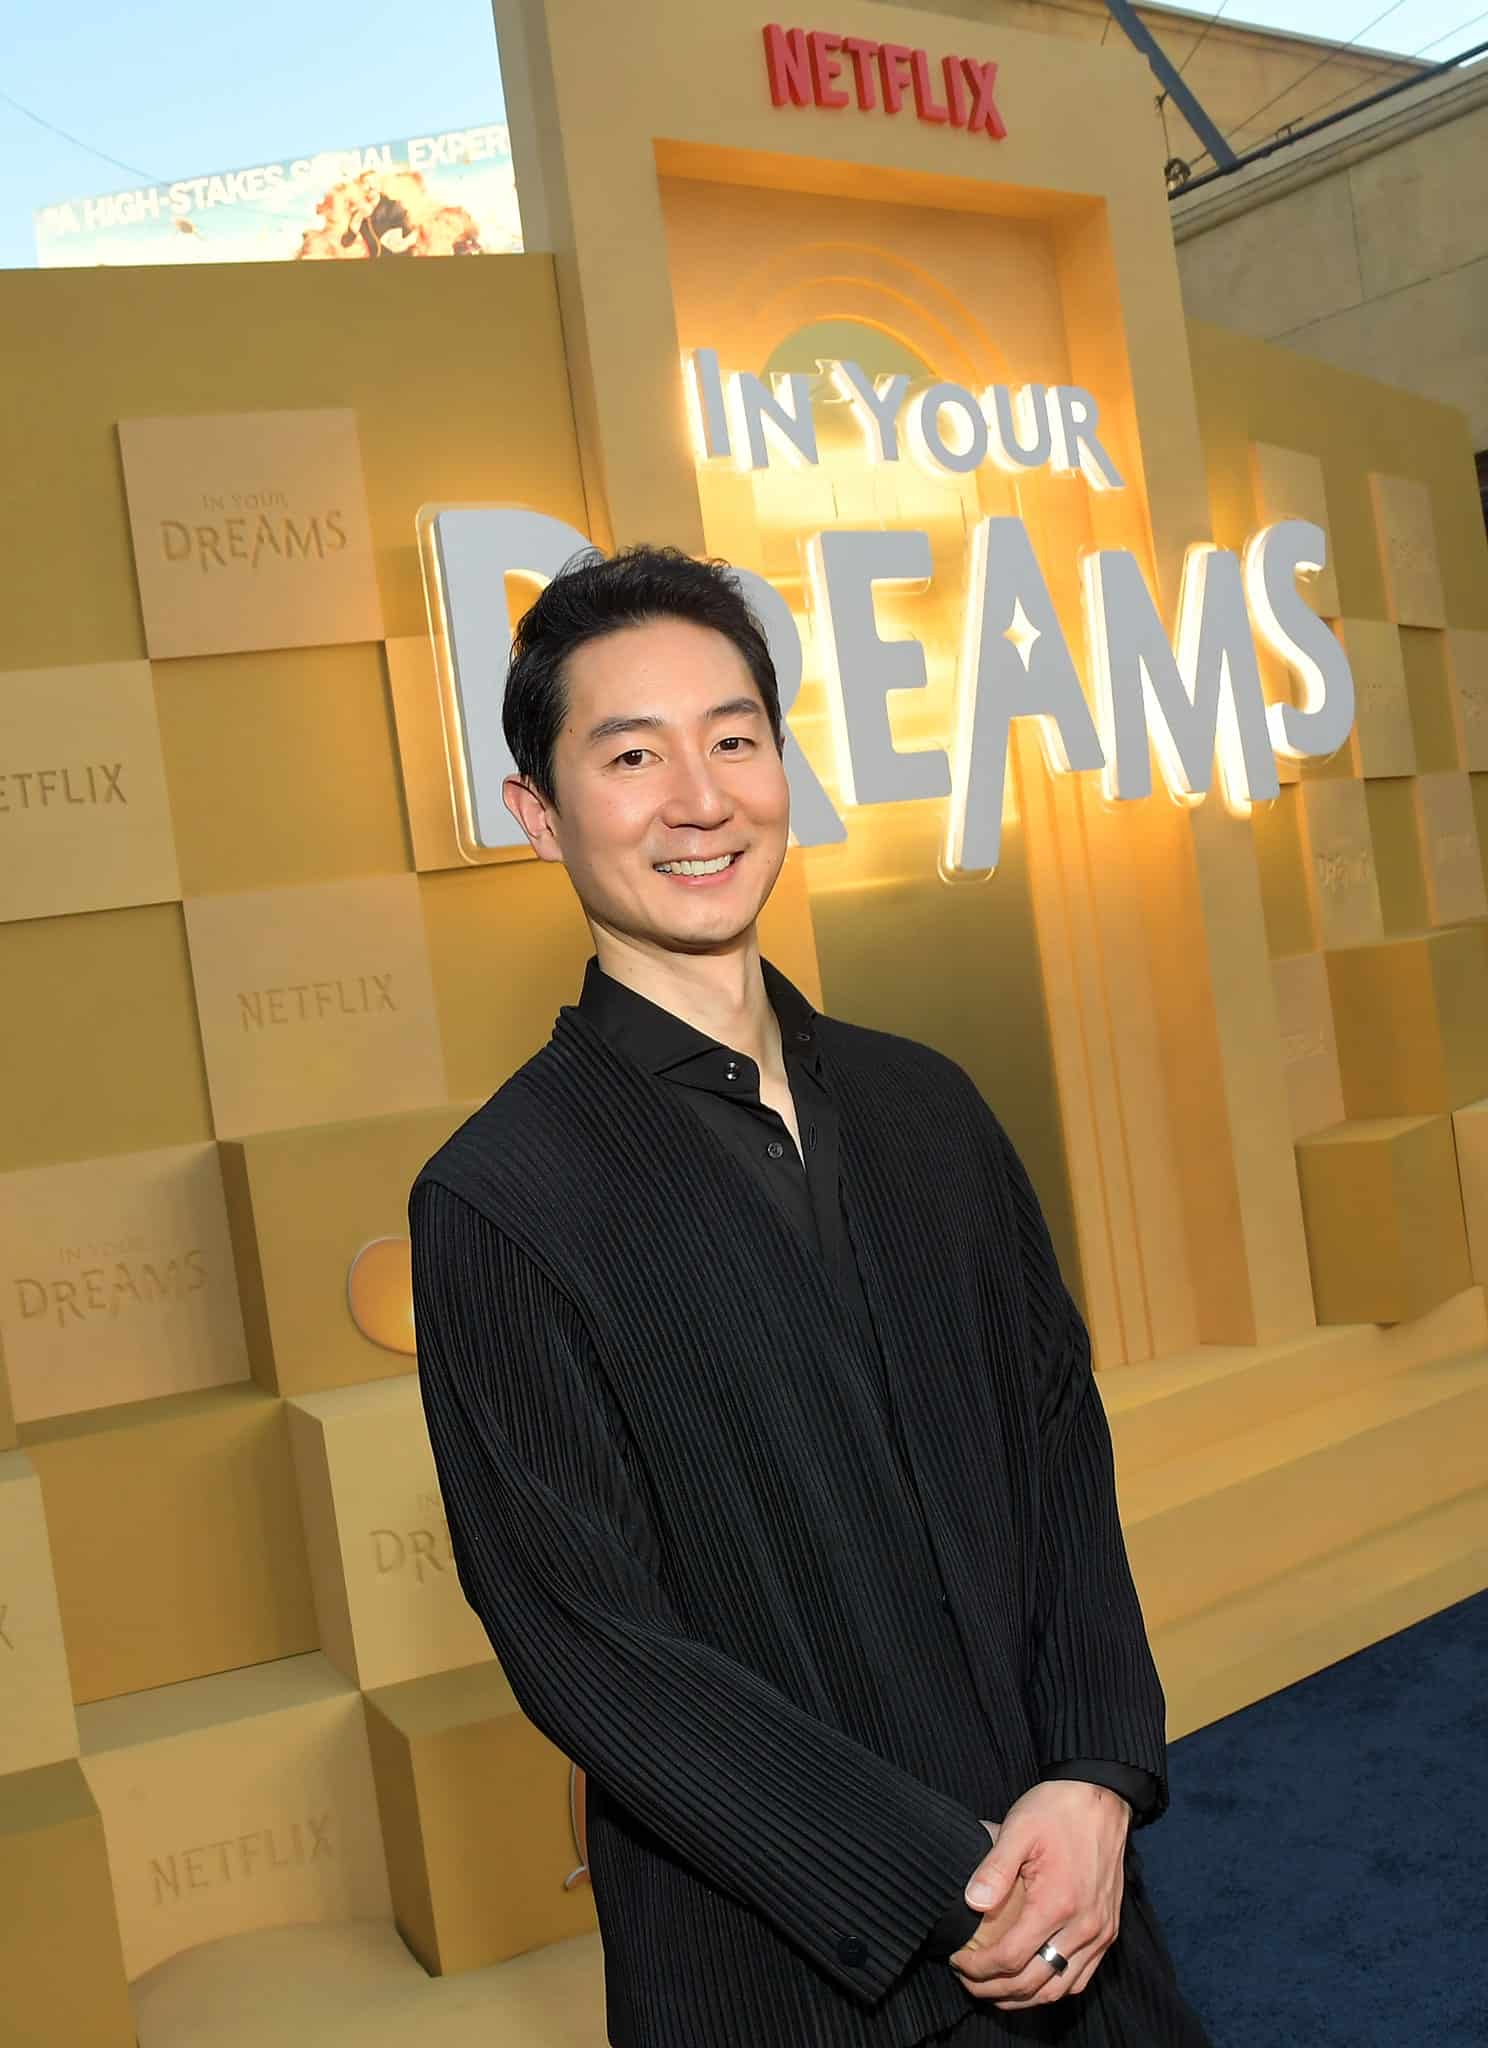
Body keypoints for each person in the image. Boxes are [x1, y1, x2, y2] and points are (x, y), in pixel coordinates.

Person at [408, 544, 1215, 2048]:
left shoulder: (931, 1107)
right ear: (539, 814)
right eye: (631, 754)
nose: (700, 799)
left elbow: (1059, 1459)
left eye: (734, 739)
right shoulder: (499, 1201)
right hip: (789, 1969)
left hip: (1082, 1922)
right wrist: (940, 1876)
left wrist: (1100, 1776)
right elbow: (590, 1640)